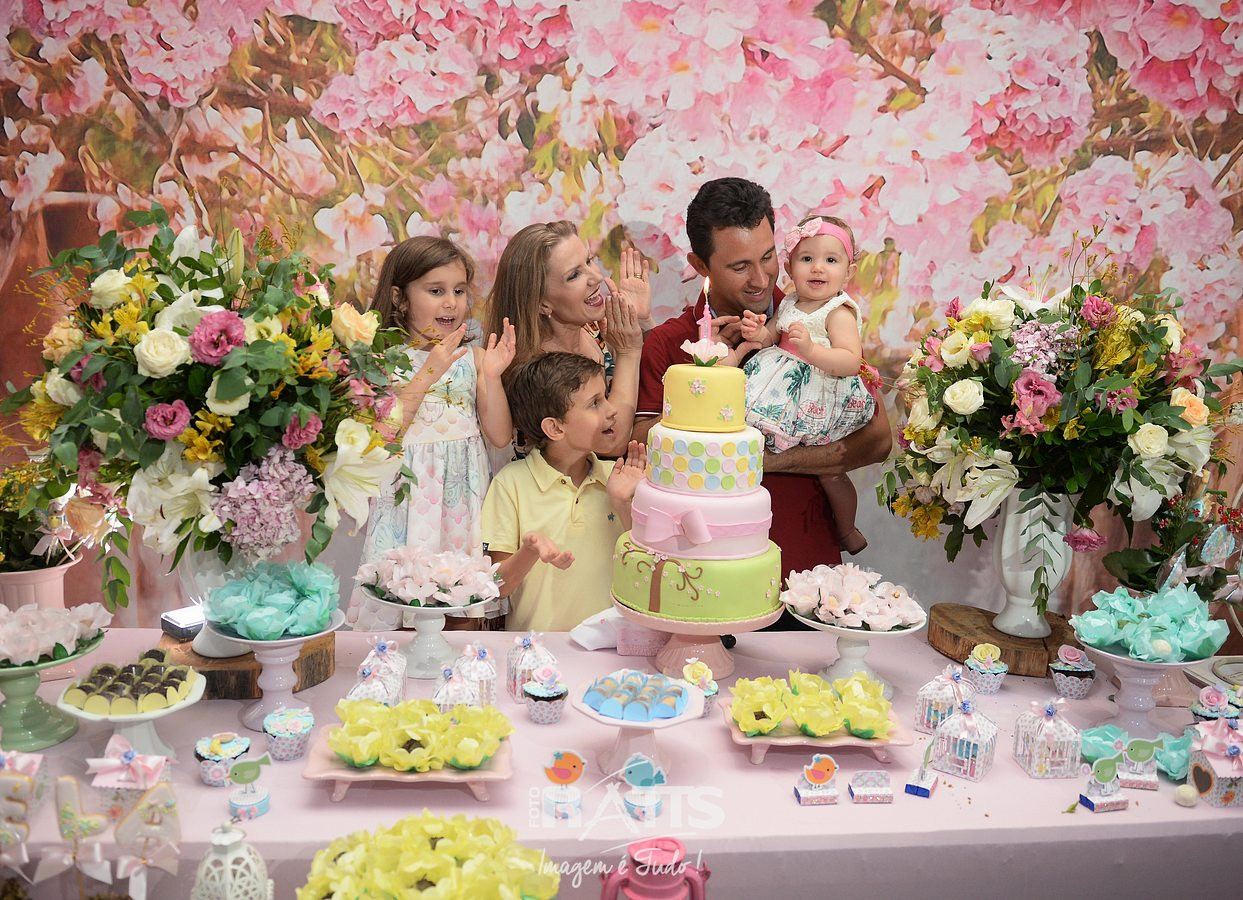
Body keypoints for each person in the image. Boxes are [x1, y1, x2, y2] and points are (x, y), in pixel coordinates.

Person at [634, 177, 892, 583]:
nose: (760, 279)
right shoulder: (670, 343)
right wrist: (706, 378)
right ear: (700, 266)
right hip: (707, 573)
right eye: (740, 266)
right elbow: (641, 444)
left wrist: (759, 458)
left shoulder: (816, 319)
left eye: (768, 257)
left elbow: (877, 441)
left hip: (808, 568)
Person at [347, 236, 517, 631]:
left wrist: (492, 376)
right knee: (401, 604)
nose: (451, 303)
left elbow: (499, 436)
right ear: (400, 298)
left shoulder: (474, 358)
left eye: (459, 291)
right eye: (436, 291)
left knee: (462, 607)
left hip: (461, 503)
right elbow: (383, 436)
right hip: (406, 500)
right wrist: (429, 370)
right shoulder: (381, 359)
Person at [737, 214, 875, 554]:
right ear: (789, 267)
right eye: (807, 258)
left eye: (831, 260)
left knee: (830, 473)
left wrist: (812, 350)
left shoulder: (838, 311)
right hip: (781, 390)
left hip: (820, 393)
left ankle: (847, 528)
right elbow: (773, 335)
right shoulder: (789, 302)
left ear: (848, 272)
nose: (818, 268)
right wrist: (759, 333)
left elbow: (850, 361)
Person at [481, 352, 647, 631]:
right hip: (537, 649)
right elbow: (496, 587)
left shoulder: (620, 480)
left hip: (612, 645)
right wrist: (529, 551)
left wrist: (623, 505)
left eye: (606, 397)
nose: (611, 410)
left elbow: (650, 570)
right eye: (595, 403)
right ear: (555, 428)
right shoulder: (511, 483)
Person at [484, 221, 648, 456]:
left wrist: (638, 320)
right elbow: (611, 443)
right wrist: (628, 352)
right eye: (574, 275)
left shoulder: (593, 329)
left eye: (589, 261)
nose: (596, 277)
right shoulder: (540, 368)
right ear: (542, 303)